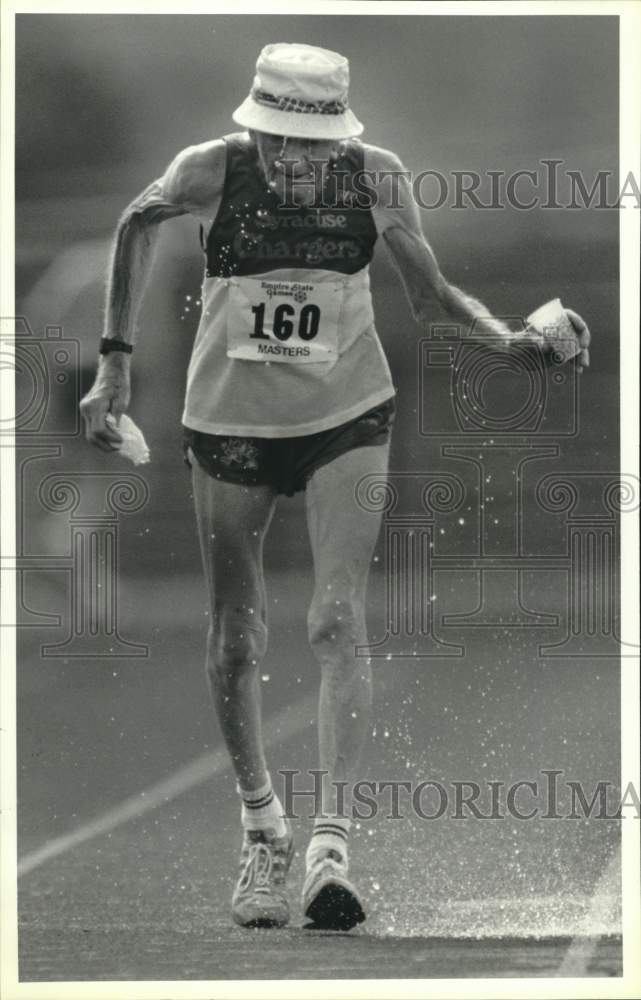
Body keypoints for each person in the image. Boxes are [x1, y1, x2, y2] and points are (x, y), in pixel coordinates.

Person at [80, 42, 591, 932]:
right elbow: (135, 221)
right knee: (236, 636)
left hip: (346, 416)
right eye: (275, 142)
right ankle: (261, 827)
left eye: (307, 148)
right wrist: (114, 366)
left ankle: (329, 848)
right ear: (256, 129)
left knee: (333, 618)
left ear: (337, 141)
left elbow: (431, 301)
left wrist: (509, 341)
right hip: (229, 428)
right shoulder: (210, 169)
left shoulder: (378, 179)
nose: (291, 163)